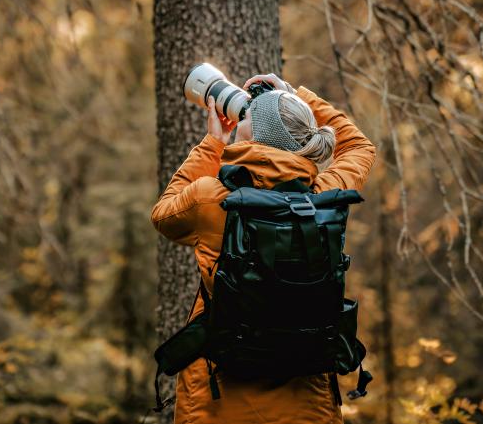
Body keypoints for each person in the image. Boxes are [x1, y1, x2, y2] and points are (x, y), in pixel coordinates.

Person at [150, 73, 376, 424]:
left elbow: (163, 215)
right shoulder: (324, 197)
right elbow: (359, 146)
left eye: (249, 116)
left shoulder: (212, 197)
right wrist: (296, 97)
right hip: (307, 401)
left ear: (255, 135)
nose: (242, 119)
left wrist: (213, 144)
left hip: (218, 396)